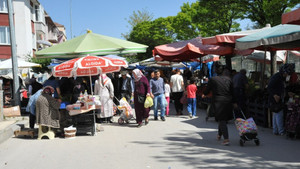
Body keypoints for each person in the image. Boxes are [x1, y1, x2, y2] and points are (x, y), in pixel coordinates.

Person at [203, 63, 236, 146]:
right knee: (222, 119)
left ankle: (226, 139)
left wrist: (204, 94)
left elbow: (207, 91)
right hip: (228, 101)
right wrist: (235, 102)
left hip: (218, 102)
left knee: (221, 120)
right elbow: (233, 92)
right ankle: (219, 135)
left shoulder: (213, 79)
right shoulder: (229, 79)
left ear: (216, 70)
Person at [267, 63, 294, 136]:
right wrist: (275, 95)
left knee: (276, 114)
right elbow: (269, 87)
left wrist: (287, 93)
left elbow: (283, 87)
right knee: (279, 113)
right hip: (275, 98)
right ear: (284, 72)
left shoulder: (281, 78)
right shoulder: (276, 77)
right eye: (287, 73)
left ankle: (275, 130)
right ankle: (281, 131)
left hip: (277, 97)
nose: (287, 75)